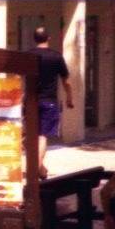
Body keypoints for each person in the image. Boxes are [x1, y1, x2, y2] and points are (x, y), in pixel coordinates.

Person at [29, 25, 74, 178]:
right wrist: (69, 98)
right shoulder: (56, 56)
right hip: (49, 101)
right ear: (49, 38)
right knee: (43, 136)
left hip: (30, 101)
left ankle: (40, 169)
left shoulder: (28, 56)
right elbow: (66, 81)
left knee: (33, 135)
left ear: (34, 39)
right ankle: (36, 168)